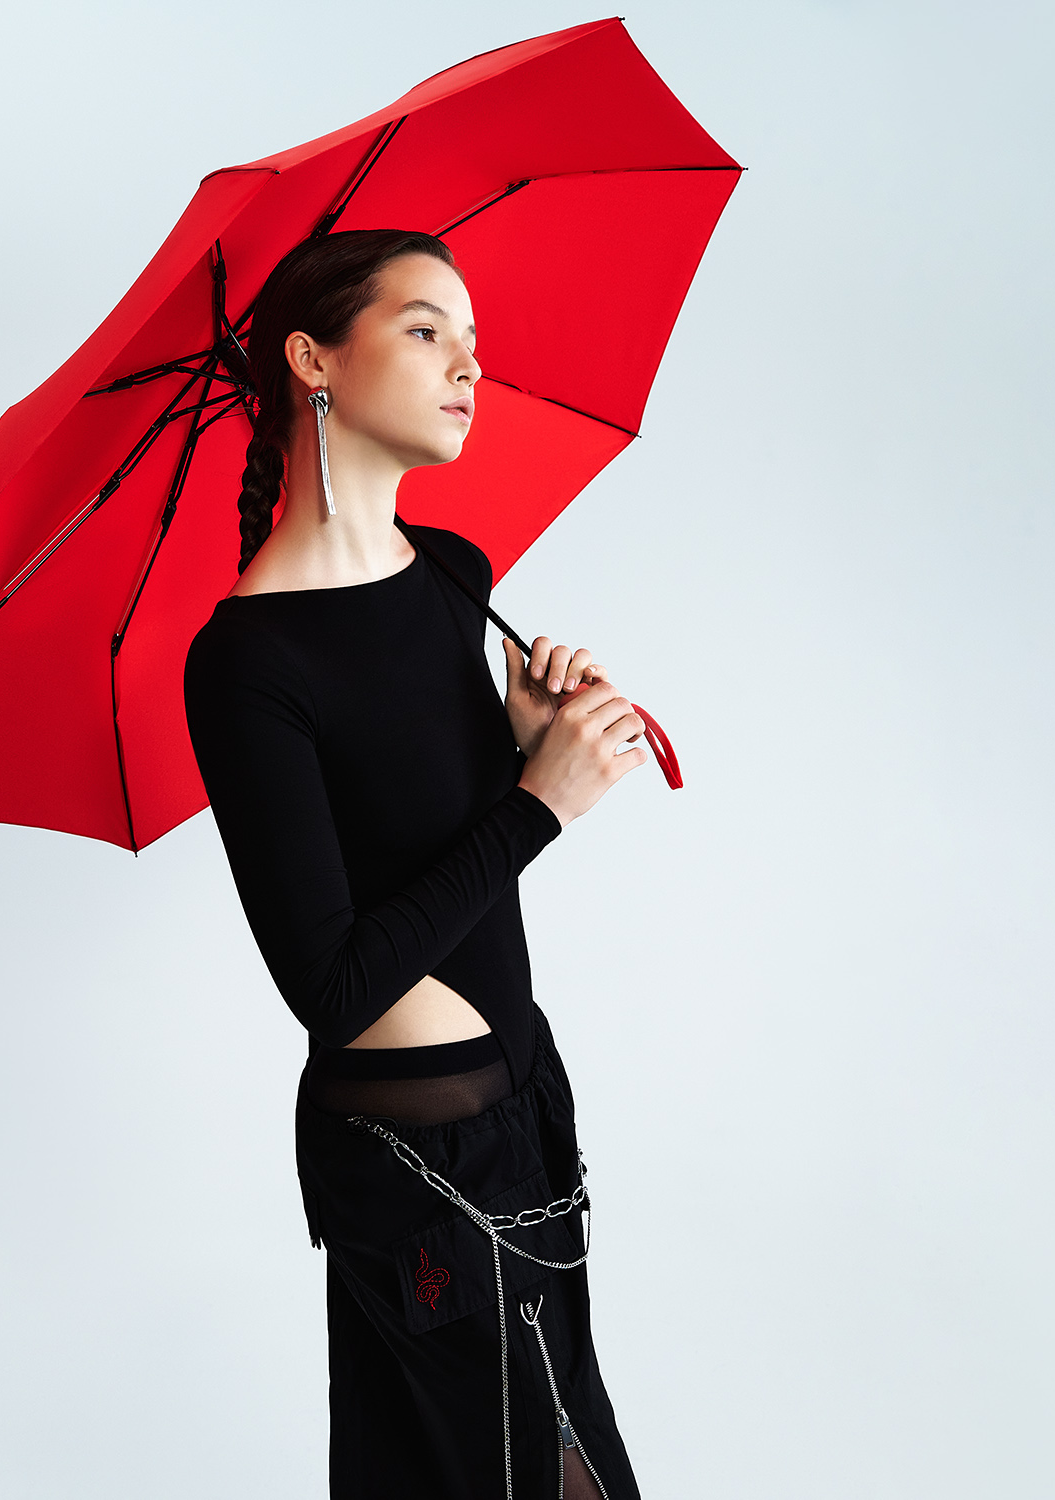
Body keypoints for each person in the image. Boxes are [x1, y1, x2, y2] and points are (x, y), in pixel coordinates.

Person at [182, 229, 647, 1499]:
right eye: (427, 330)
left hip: (523, 1108)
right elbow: (332, 985)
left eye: (472, 342)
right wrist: (539, 806)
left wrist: (528, 745)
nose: (467, 368)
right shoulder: (247, 661)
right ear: (312, 360)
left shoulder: (455, 574)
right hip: (415, 1159)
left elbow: (441, 859)